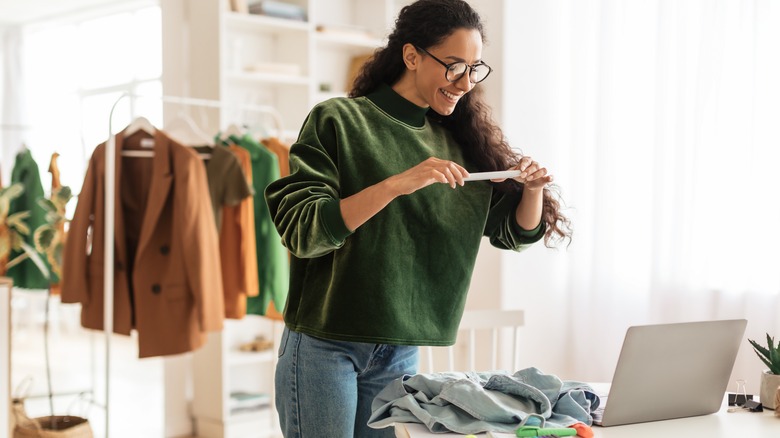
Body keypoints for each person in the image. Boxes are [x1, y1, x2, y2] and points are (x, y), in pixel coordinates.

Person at [264, 0, 572, 436]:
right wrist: (396, 184)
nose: (465, 82)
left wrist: (534, 191)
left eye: (474, 68)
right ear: (411, 56)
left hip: (400, 349)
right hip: (325, 343)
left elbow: (513, 235)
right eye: (453, 66)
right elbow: (305, 230)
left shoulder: (461, 143)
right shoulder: (340, 120)